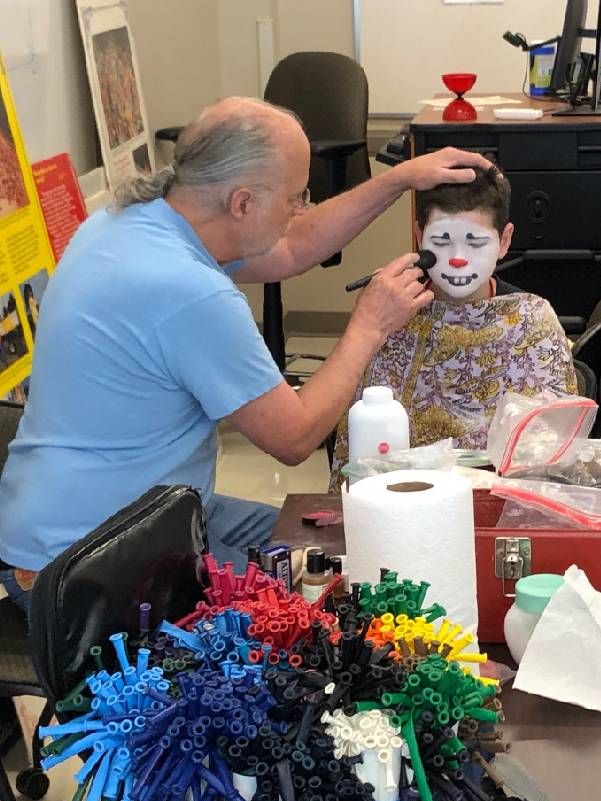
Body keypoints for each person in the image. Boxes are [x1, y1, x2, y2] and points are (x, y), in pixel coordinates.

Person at [0, 97, 490, 612]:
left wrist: (398, 180)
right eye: (294, 197)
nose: (300, 209)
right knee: (325, 600)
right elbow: (295, 435)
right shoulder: (189, 291)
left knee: (330, 543)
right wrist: (368, 326)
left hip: (107, 509)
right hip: (82, 562)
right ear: (242, 203)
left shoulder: (131, 222)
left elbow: (295, 246)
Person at [329, 165, 576, 489]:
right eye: (442, 241)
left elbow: (555, 459)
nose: (458, 258)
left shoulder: (531, 319)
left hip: (503, 504)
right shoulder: (388, 318)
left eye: (475, 242)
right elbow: (362, 454)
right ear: (419, 238)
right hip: (402, 501)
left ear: (504, 241)